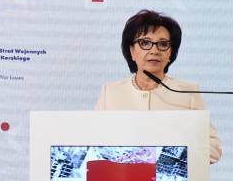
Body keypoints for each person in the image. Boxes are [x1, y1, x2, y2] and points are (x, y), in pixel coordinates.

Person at [94, 10, 222, 164]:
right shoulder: (111, 92)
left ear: (170, 53)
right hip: (122, 177)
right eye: (145, 43)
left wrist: (168, 156)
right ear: (132, 51)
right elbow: (94, 145)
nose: (154, 50)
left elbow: (213, 149)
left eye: (163, 44)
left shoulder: (187, 92)